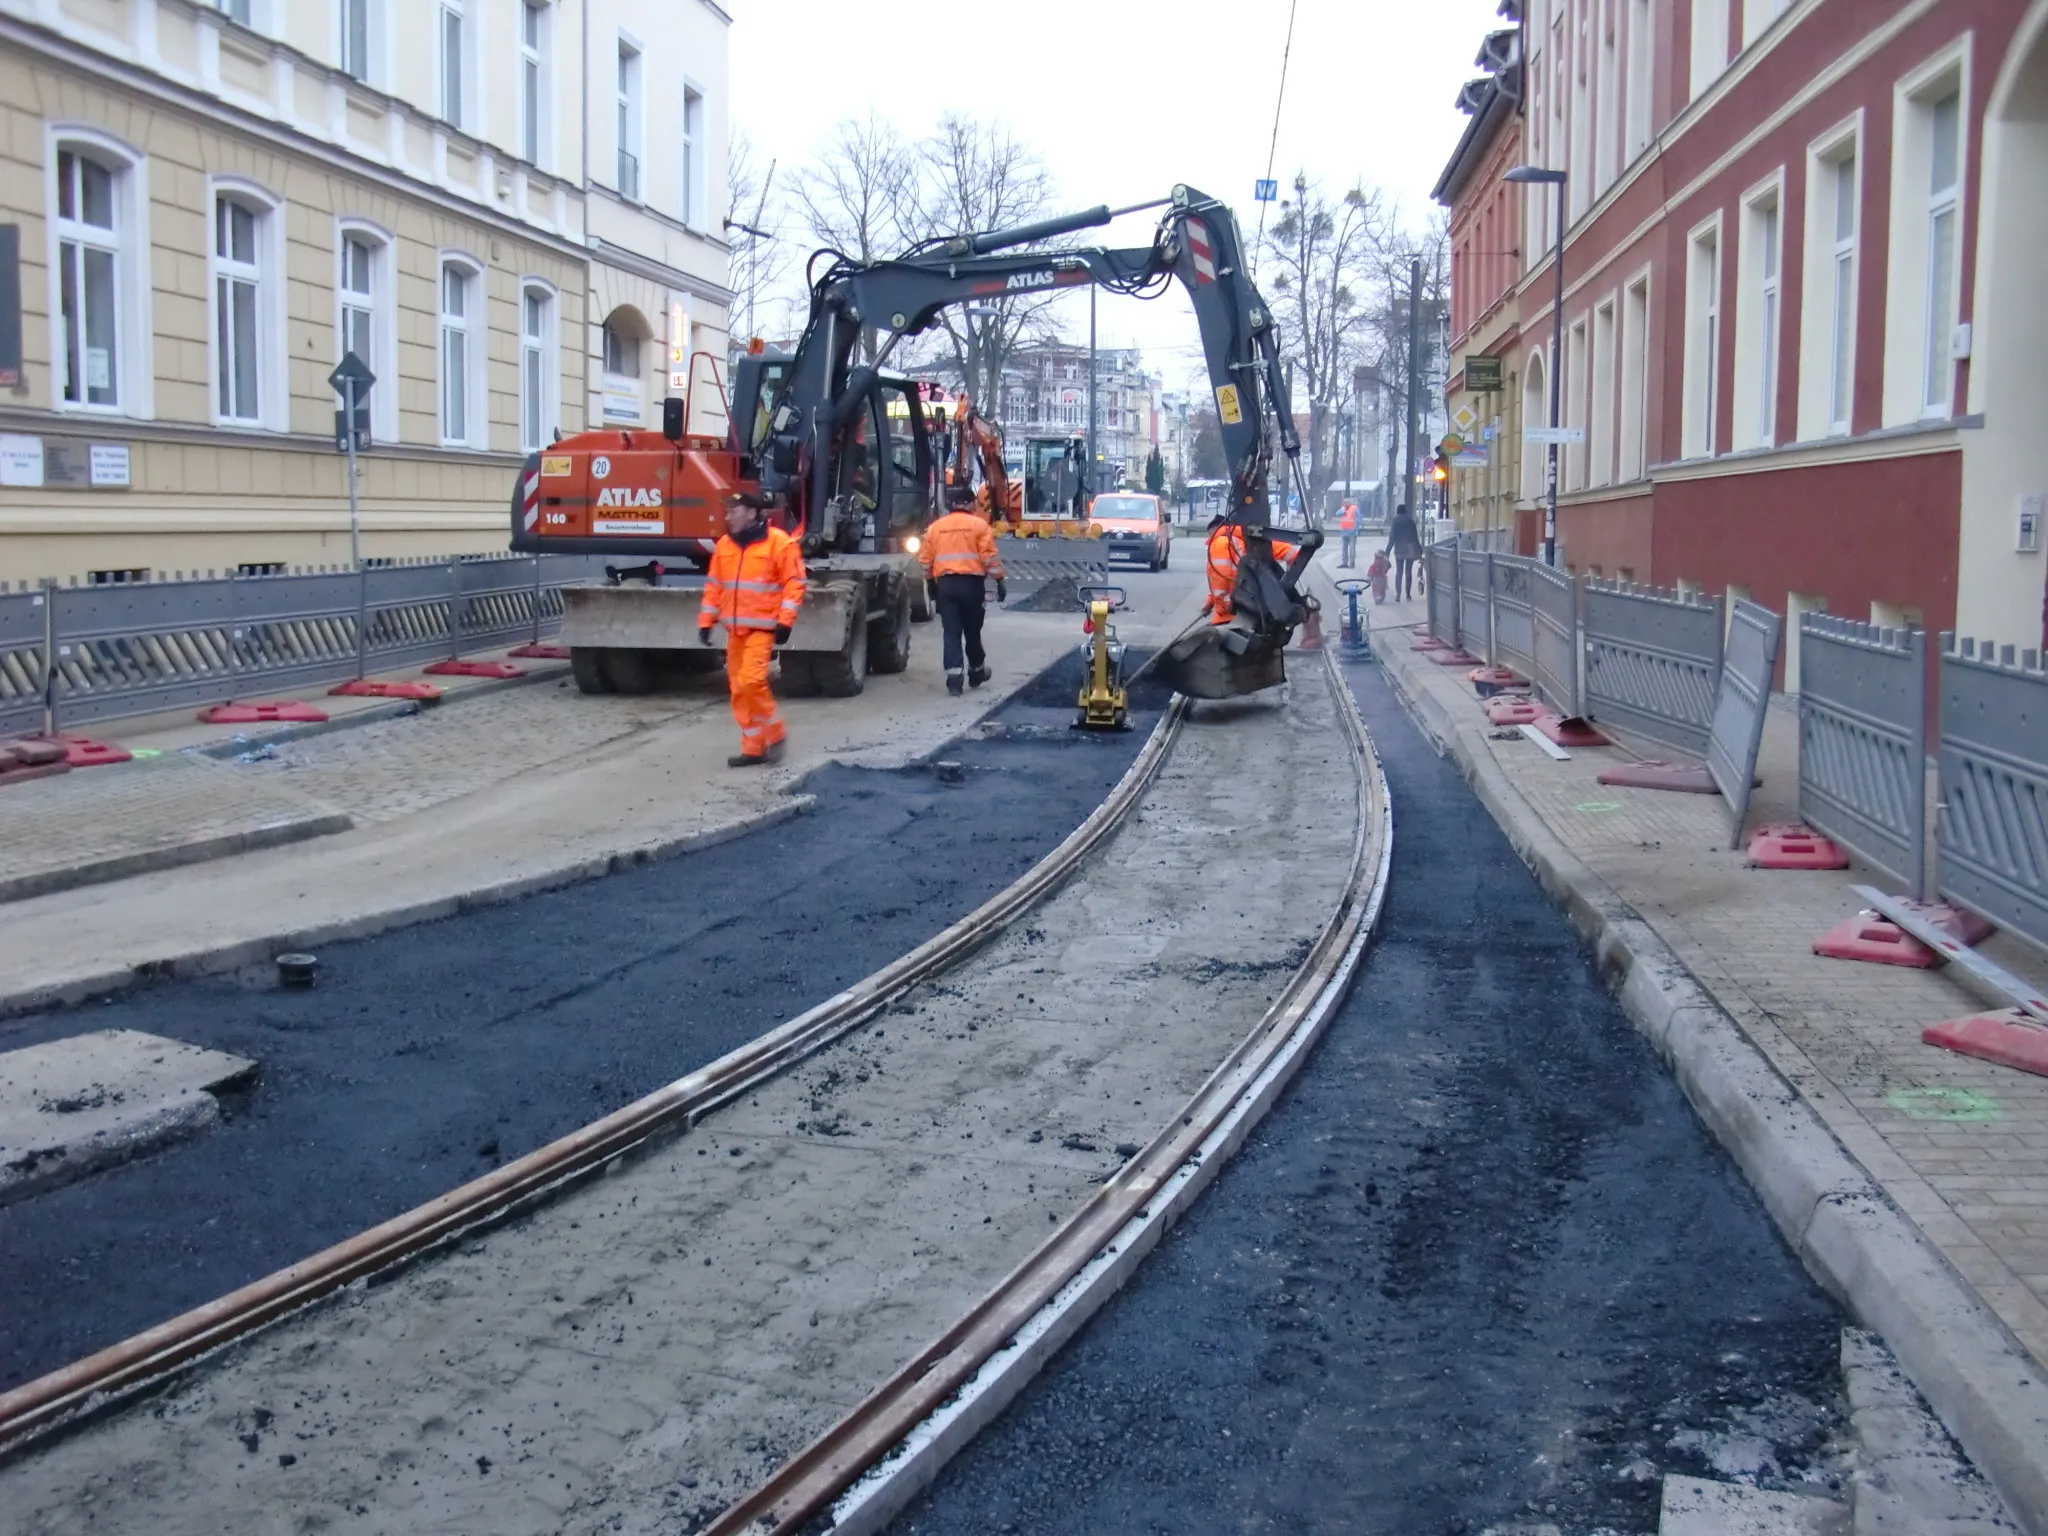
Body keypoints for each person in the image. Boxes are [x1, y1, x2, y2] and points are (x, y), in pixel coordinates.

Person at [698, 491, 806, 768]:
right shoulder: (724, 545)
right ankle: (753, 748)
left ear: (752, 513)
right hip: (736, 632)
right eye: (728, 511)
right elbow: (714, 586)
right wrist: (706, 622)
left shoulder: (779, 544)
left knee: (751, 682)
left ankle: (776, 734)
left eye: (734, 511)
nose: (728, 517)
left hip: (762, 629)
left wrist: (785, 621)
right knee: (738, 690)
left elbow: (794, 584)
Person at [919, 484, 1007, 695]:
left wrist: (931, 583)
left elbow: (925, 560)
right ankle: (976, 672)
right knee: (972, 631)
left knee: (951, 633)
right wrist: (1000, 580)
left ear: (953, 505)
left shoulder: (935, 528)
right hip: (971, 586)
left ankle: (954, 681)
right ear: (970, 503)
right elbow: (988, 558)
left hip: (946, 587)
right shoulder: (979, 526)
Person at [1204, 513, 1298, 626]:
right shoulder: (1250, 540)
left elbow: (1220, 578)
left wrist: (1223, 606)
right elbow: (1292, 554)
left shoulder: (1219, 543)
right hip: (1255, 606)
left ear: (1214, 529)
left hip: (1231, 615)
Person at [1385, 502, 1423, 603]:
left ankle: (1398, 594)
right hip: (1410, 549)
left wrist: (1387, 552)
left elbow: (1392, 537)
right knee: (1408, 572)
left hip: (1399, 549)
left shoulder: (1395, 521)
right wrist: (1420, 550)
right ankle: (1408, 594)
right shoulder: (1410, 521)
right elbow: (1415, 537)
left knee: (1399, 572)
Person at [1338, 499, 1359, 567]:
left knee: (1352, 548)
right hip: (1344, 532)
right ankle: (1344, 563)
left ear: (1350, 503)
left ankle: (1352, 563)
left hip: (1352, 533)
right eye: (1344, 502)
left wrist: (1355, 529)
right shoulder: (1343, 509)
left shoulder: (1354, 508)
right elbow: (1337, 513)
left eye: (1347, 502)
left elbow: (1358, 519)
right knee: (1344, 548)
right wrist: (1343, 511)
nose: (1345, 503)